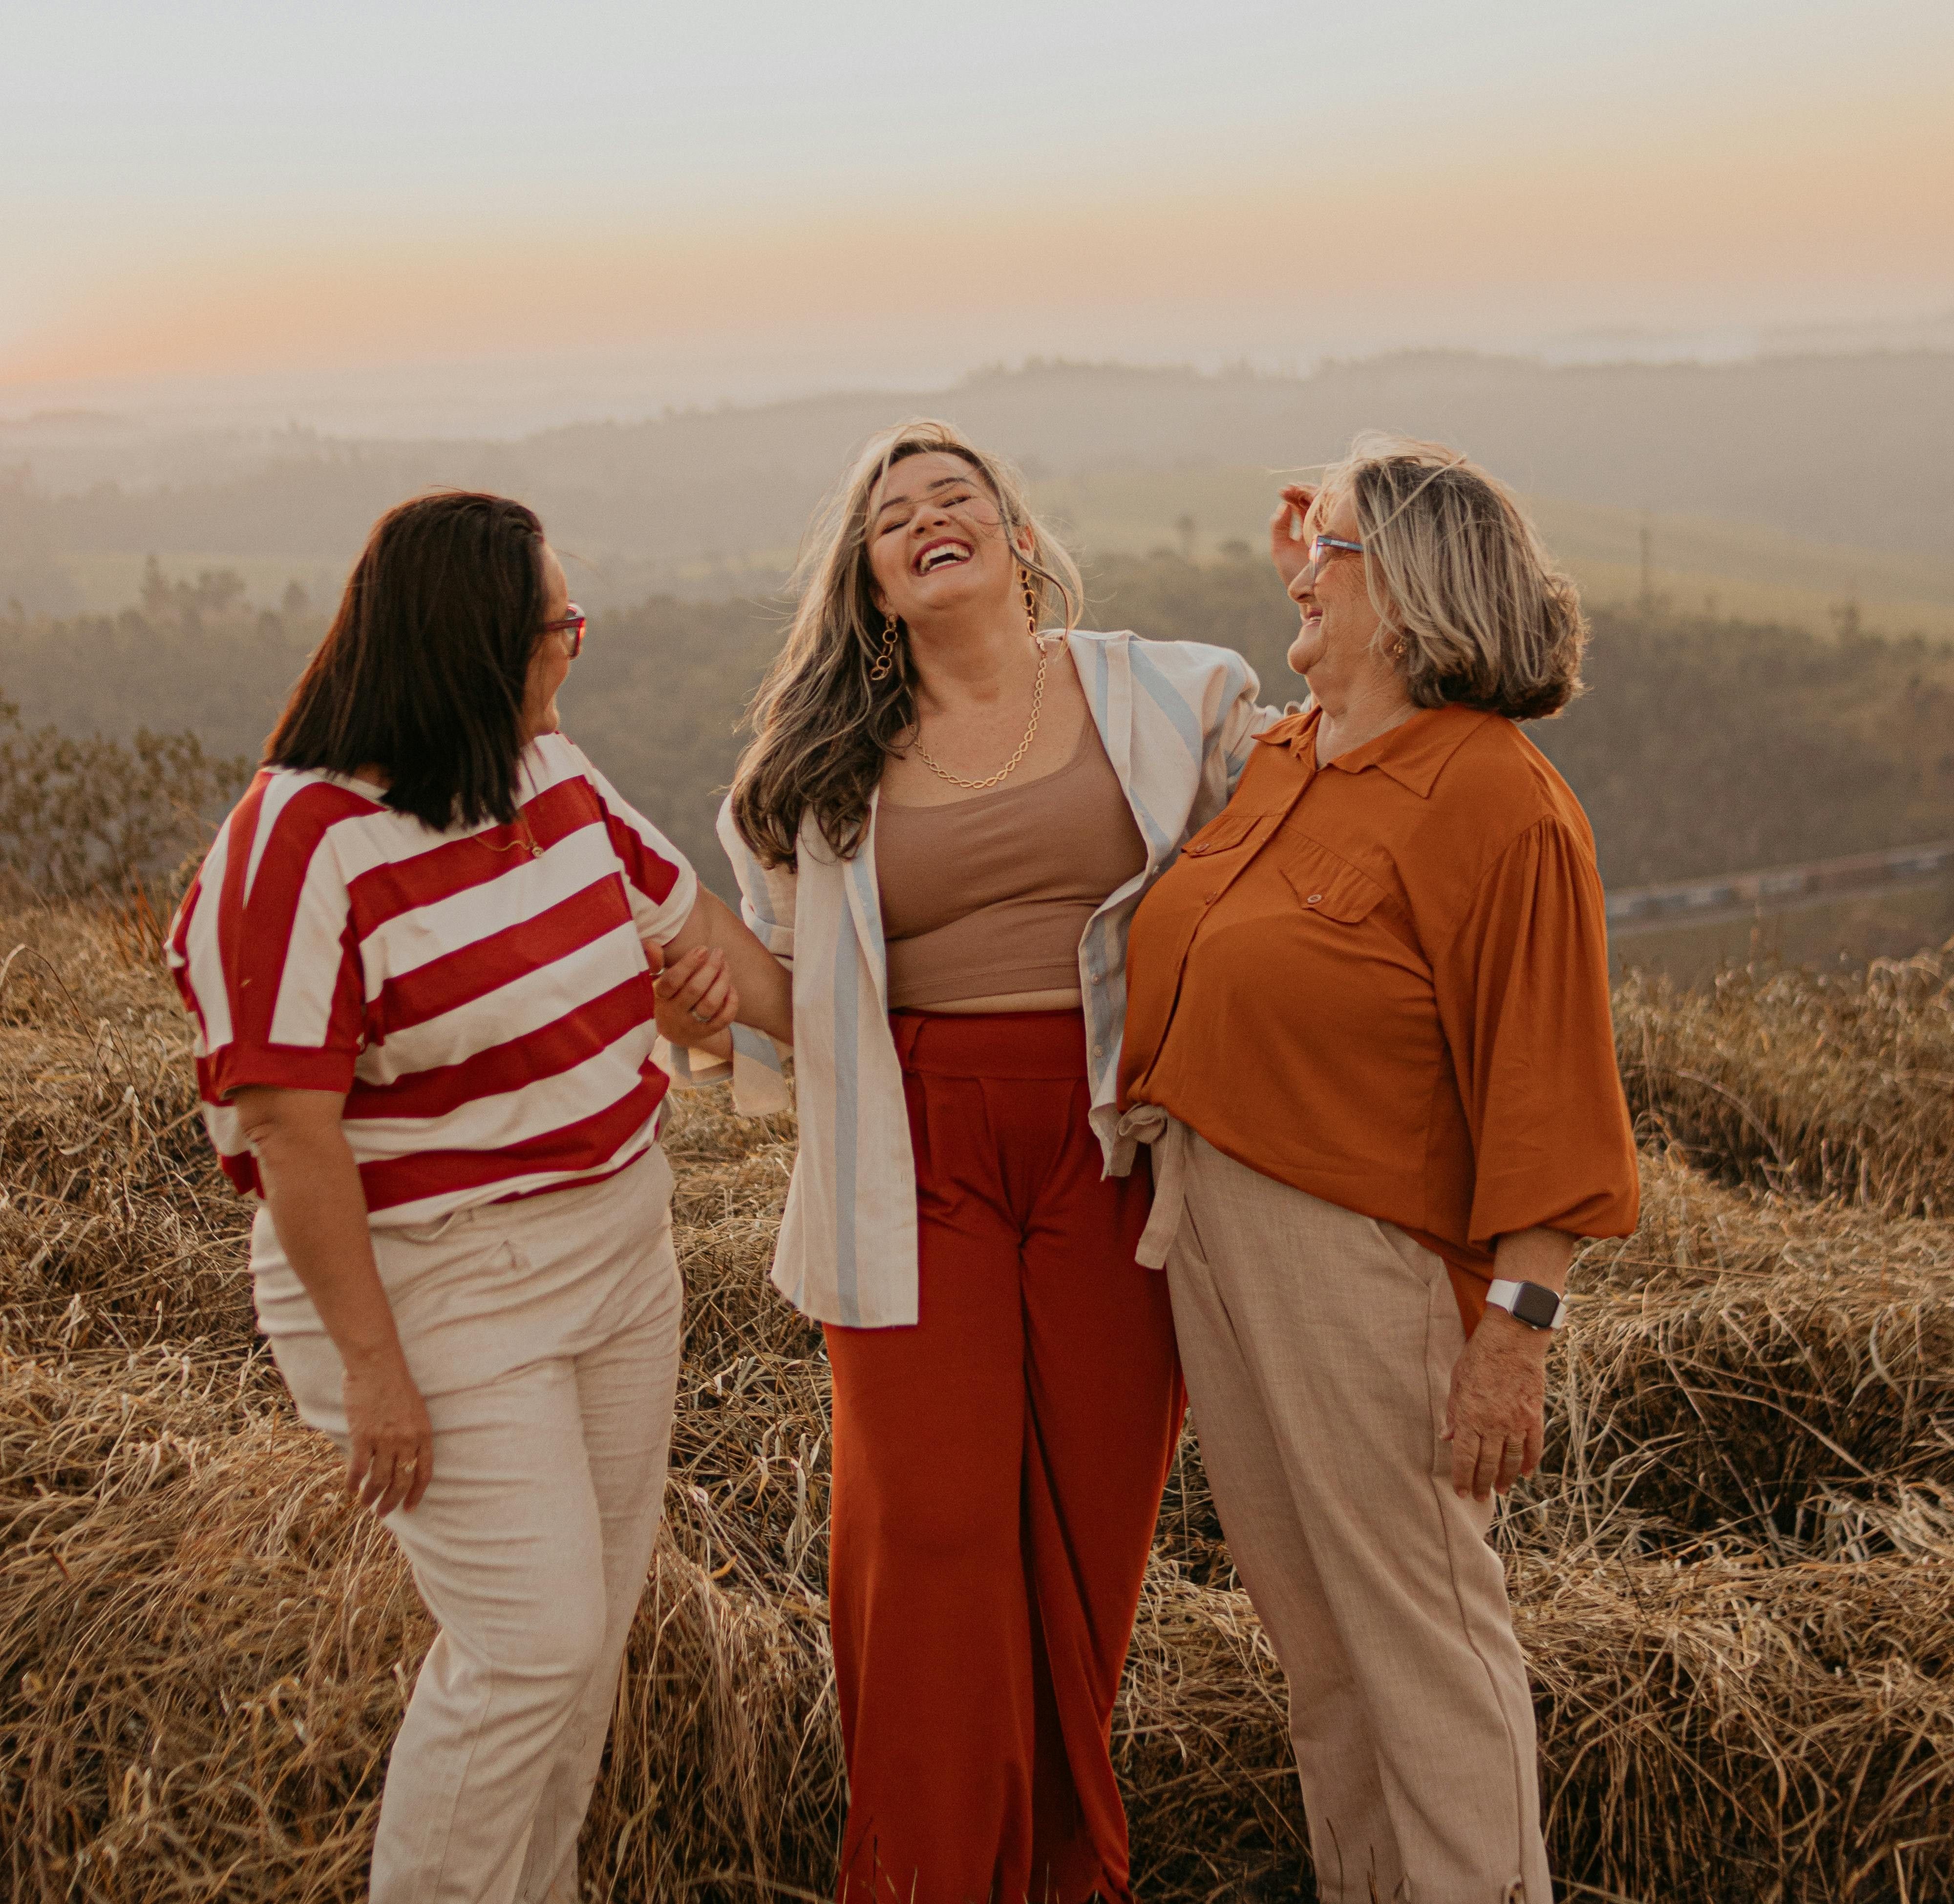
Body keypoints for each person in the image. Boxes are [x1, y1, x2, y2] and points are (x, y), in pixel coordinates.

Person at [682, 418, 1276, 1904]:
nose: (928, 518)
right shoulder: (810, 782)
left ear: (1017, 536)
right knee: (929, 1533)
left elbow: (1289, 860)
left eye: (958, 496)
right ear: (875, 583)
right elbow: (786, 1001)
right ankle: (924, 1878)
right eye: (895, 517)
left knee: (1086, 1544)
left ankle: (1071, 1876)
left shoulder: (1175, 696)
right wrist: (682, 974)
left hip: (1113, 1151)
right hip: (913, 1157)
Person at [167, 490, 788, 1904]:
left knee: (584, 1643)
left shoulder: (550, 774)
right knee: (532, 1645)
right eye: (557, 625)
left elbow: (721, 962)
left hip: (620, 1246)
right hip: (430, 1278)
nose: (578, 643)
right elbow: (288, 1126)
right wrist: (375, 1370)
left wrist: (917, 1037)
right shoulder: (301, 840)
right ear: (472, 647)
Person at [1116, 435, 1640, 1904]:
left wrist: (1511, 1344)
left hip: (1362, 1266)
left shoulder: (1498, 801)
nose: (1291, 569)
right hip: (1212, 1226)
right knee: (1321, 1643)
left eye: (1324, 553)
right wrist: (1327, 522)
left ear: (1401, 598)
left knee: (1420, 1643)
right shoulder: (1293, 752)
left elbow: (1549, 1090)